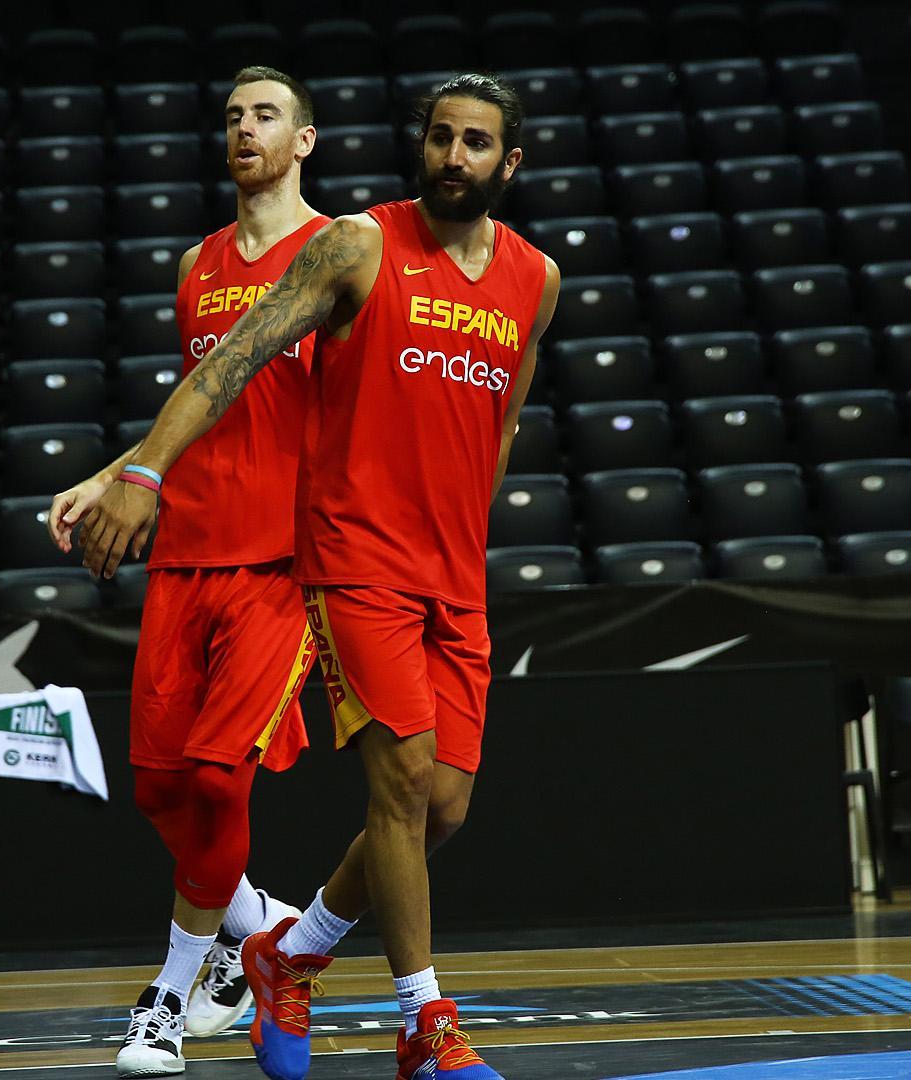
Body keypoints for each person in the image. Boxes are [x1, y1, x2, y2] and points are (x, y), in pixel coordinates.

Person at [77, 73, 560, 1080]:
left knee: (445, 811)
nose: (453, 157)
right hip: (352, 563)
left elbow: (502, 420)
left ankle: (285, 956)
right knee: (401, 784)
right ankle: (425, 1026)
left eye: (475, 143)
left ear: (508, 163)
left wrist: (464, 536)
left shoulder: (535, 280)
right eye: (439, 138)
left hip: (451, 574)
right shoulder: (359, 245)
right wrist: (142, 471)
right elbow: (230, 366)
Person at [46, 66, 330, 1078]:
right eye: (233, 116)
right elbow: (196, 405)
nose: (244, 128)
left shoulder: (340, 256)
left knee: (218, 778)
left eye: (266, 115)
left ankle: (166, 999)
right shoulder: (195, 263)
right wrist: (105, 476)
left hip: (281, 566)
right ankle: (257, 923)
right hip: (184, 554)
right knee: (162, 788)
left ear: (304, 140)